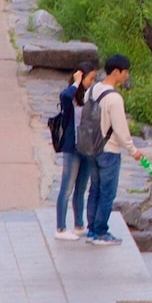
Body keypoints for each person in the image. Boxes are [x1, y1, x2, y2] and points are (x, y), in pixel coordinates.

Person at [86, 55, 142, 247]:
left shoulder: (91, 90)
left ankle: (91, 231)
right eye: (126, 72)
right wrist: (133, 150)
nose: (127, 76)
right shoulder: (114, 98)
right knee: (107, 194)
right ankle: (101, 232)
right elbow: (120, 129)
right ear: (116, 72)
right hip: (109, 151)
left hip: (91, 148)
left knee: (94, 190)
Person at [54, 62, 97, 241]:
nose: (92, 82)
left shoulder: (89, 96)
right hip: (72, 148)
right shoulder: (70, 97)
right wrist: (76, 82)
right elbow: (64, 96)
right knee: (67, 188)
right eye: (90, 79)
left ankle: (79, 224)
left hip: (87, 148)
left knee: (81, 188)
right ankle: (60, 228)